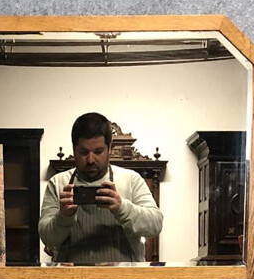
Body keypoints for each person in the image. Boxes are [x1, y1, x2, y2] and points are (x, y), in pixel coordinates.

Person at [38, 113, 163, 263]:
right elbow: (47, 238)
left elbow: (155, 224)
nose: (91, 160)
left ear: (109, 148)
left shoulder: (131, 180)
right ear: (74, 149)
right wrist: (63, 217)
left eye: (98, 152)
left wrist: (122, 208)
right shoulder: (58, 183)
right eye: (84, 152)